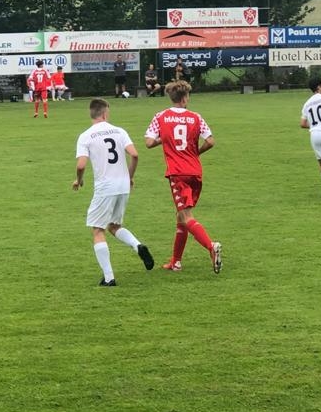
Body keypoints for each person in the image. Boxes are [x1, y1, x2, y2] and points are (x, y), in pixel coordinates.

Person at [72, 98, 155, 287]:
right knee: (114, 226)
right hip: (123, 185)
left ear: (92, 113)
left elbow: (81, 165)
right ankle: (137, 246)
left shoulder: (86, 136)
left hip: (105, 187)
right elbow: (134, 154)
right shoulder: (119, 131)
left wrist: (79, 179)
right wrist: (130, 177)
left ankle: (109, 278)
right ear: (105, 113)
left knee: (97, 230)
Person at [144, 79, 222, 274]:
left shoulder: (161, 116)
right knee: (181, 216)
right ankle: (176, 262)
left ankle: (211, 247)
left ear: (171, 97)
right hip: (195, 172)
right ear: (185, 98)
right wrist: (196, 153)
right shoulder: (196, 117)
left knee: (186, 216)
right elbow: (211, 141)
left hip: (177, 173)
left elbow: (149, 142)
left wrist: (165, 138)